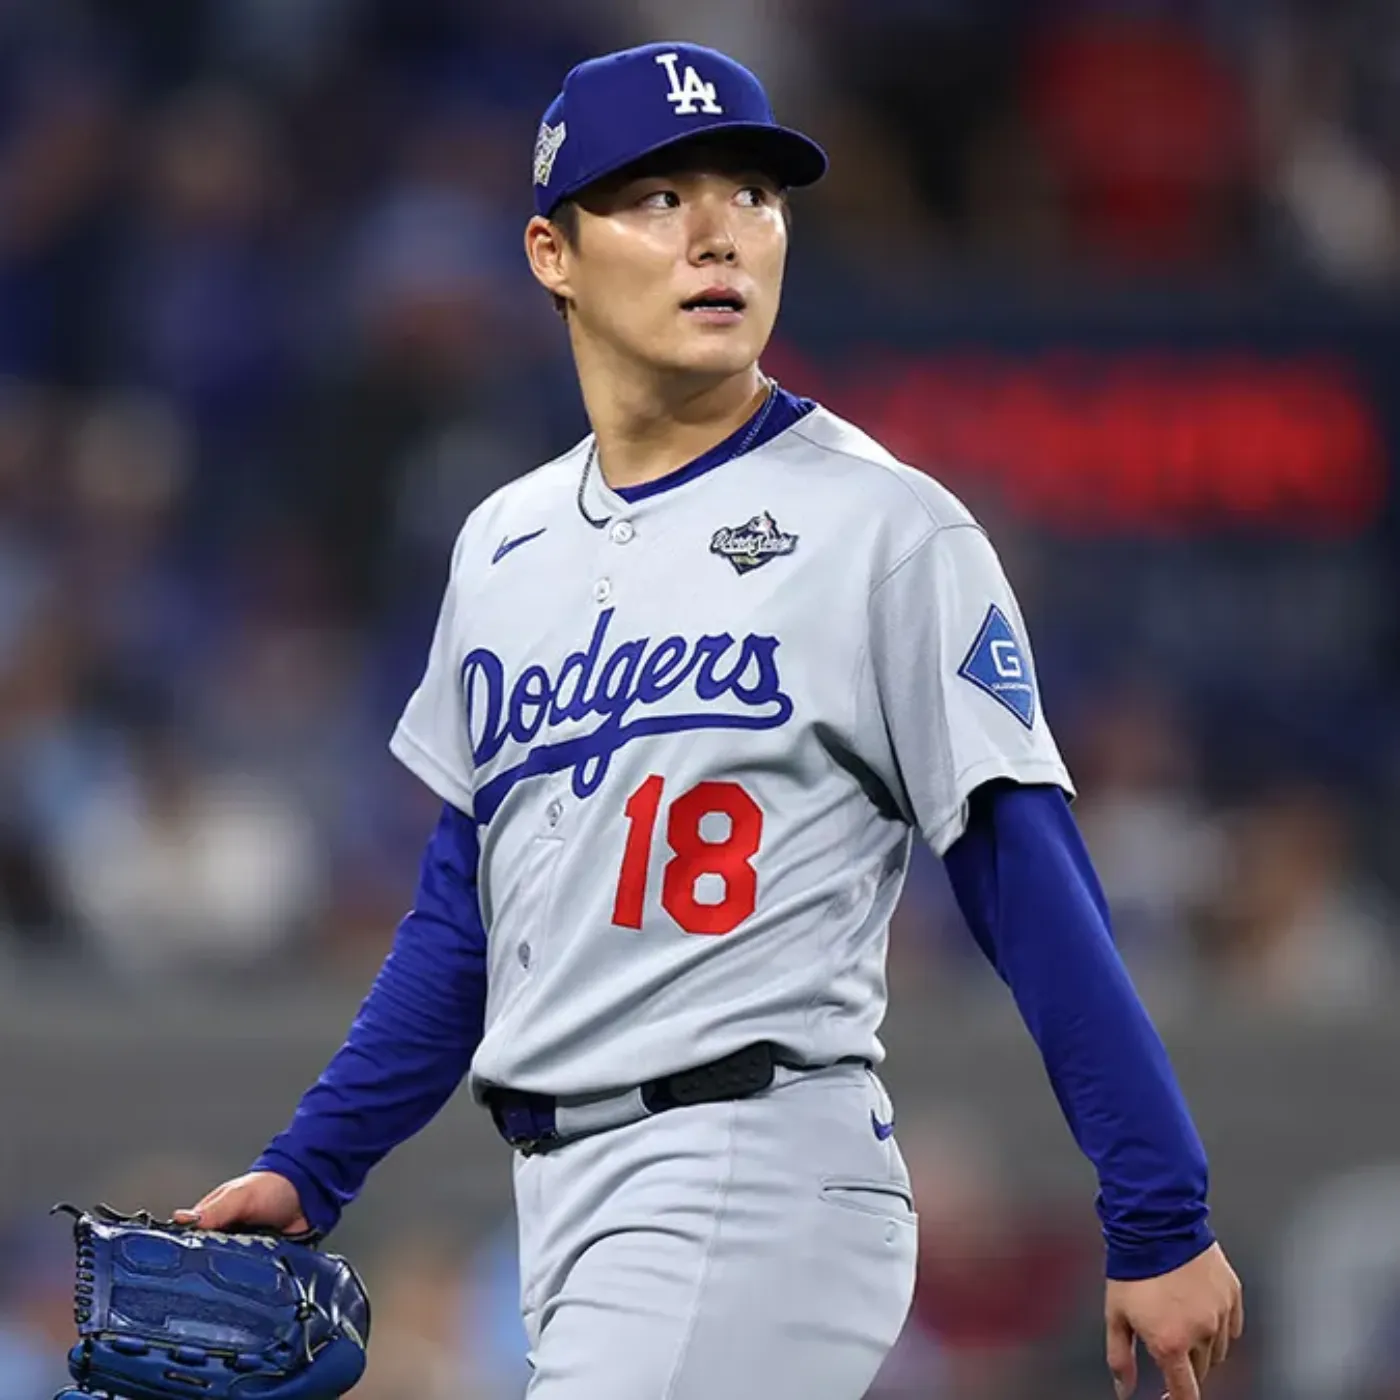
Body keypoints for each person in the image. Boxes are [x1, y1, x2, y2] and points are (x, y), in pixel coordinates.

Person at [176, 41, 1243, 1400]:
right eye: (657, 198)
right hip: (563, 1197)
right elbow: (466, 917)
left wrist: (1161, 1208)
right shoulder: (502, 544)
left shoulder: (885, 528)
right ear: (553, 254)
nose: (719, 231)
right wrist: (311, 1164)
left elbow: (1024, 875)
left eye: (753, 193)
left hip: (756, 1156)